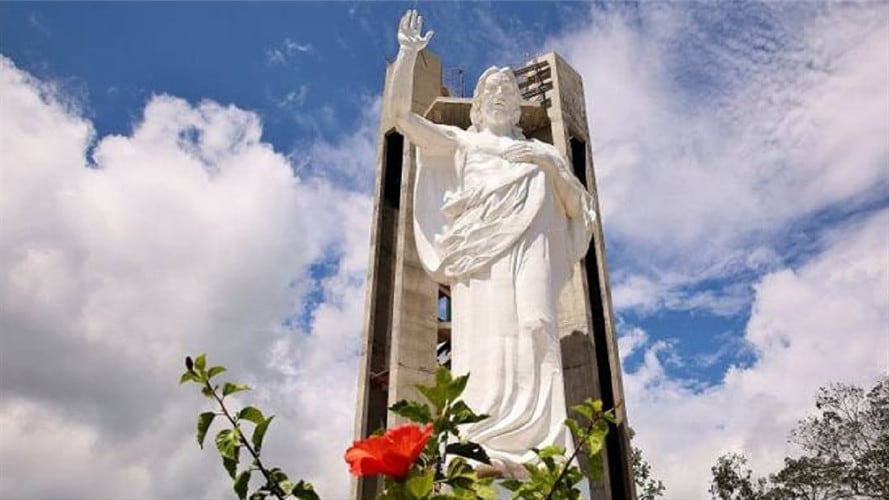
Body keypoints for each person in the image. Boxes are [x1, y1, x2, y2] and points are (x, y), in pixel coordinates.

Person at [388, 9, 597, 477]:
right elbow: (402, 117)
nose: (500, 96)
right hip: (481, 256)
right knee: (482, 339)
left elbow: (577, 208)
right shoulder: (463, 143)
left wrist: (555, 168)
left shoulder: (542, 151)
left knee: (538, 325)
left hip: (533, 249)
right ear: (478, 104)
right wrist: (407, 55)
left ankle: (543, 446)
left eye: (509, 91)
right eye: (492, 92)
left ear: (519, 105)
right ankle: (479, 436)